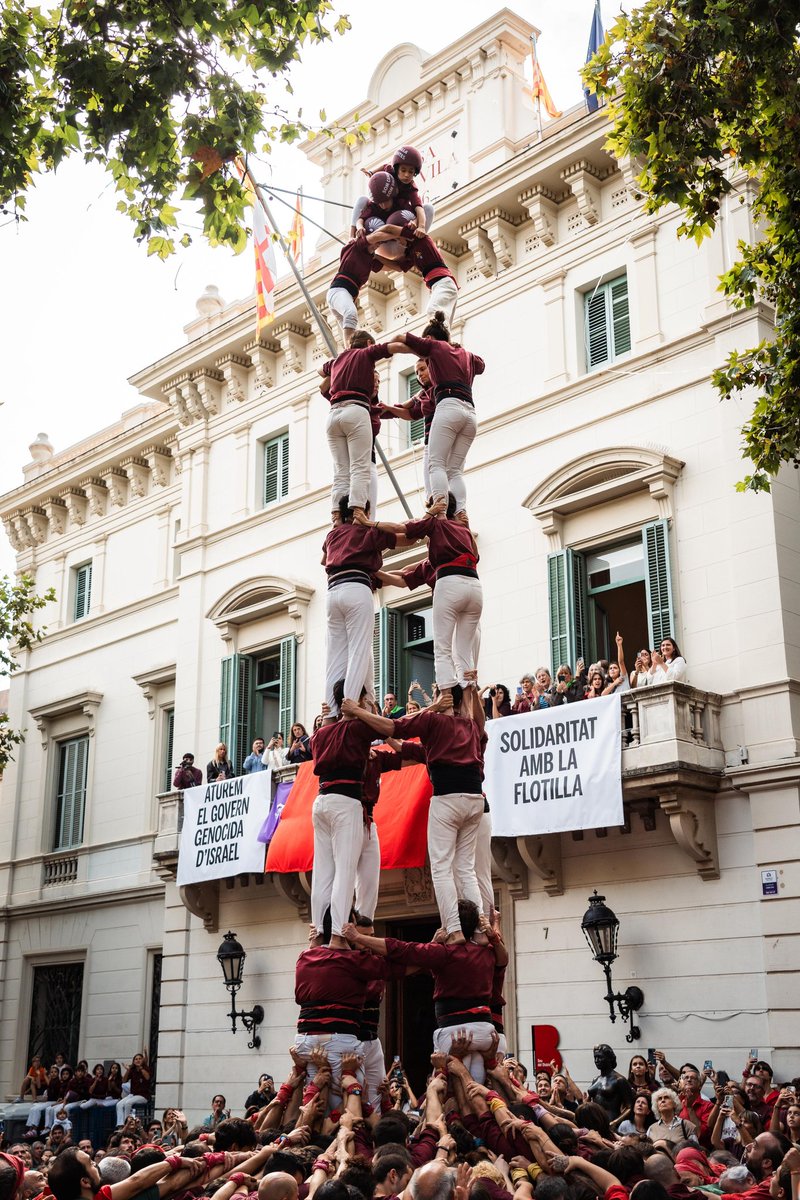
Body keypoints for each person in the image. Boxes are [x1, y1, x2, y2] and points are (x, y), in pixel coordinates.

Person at [342, 683, 486, 941]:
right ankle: (480, 928)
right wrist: (472, 692)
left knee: (441, 868)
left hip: (448, 798)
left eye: (435, 694)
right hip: (475, 799)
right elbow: (399, 745)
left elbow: (398, 726)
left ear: (443, 698)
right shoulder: (471, 727)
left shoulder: (433, 721)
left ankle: (454, 929)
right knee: (465, 868)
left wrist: (359, 712)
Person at [344, 899, 501, 1083]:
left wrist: (357, 937)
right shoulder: (489, 951)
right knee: (479, 1083)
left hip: (455, 1031)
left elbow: (402, 949)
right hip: (486, 1031)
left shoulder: (444, 953)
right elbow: (503, 957)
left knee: (452, 1085)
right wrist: (493, 930)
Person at [388, 312, 484, 512]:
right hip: (470, 413)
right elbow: (481, 365)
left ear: (429, 339)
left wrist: (380, 352)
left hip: (448, 407)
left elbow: (400, 338)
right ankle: (460, 512)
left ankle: (439, 505)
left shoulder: (434, 347)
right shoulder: (465, 354)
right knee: (455, 470)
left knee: (435, 463)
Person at [309, 680, 376, 948]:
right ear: (354, 700)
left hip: (321, 801)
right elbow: (388, 727)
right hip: (345, 802)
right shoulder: (358, 728)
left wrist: (331, 716)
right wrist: (365, 710)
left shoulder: (321, 734)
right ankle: (337, 934)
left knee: (323, 873)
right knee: (345, 872)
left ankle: (318, 935)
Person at [321, 495, 400, 716]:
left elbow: (323, 559)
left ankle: (329, 715)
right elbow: (404, 536)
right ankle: (349, 709)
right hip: (356, 587)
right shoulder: (367, 531)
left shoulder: (333, 534)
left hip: (332, 591)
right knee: (359, 651)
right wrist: (370, 524)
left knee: (334, 656)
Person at [320, 332, 395, 523]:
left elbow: (322, 381)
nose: (376, 385)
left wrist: (339, 365)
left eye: (378, 382)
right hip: (361, 451)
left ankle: (339, 513)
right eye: (373, 380)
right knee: (355, 470)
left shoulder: (375, 407)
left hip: (336, 418)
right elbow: (322, 386)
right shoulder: (358, 398)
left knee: (343, 470)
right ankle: (357, 512)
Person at [325, 229, 404, 346]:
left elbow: (396, 267)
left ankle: (352, 354)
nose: (378, 245)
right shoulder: (357, 245)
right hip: (338, 291)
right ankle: (350, 353)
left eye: (380, 244)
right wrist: (401, 233)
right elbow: (376, 236)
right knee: (351, 314)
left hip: (345, 296)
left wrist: (408, 253)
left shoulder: (370, 259)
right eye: (377, 242)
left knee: (355, 337)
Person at [588, 1045, 635, 1121]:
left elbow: (629, 1107)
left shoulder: (619, 1080)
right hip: (594, 1122)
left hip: (611, 1122)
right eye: (595, 1057)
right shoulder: (595, 1079)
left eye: (600, 1057)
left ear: (609, 1058)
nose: (596, 1060)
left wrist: (615, 1122)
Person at [116, 1052, 151, 1126]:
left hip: (143, 1095)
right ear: (133, 1061)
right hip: (133, 1094)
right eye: (136, 1059)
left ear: (143, 1060)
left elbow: (147, 1077)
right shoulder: (132, 1070)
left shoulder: (146, 1069)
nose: (138, 1060)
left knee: (128, 1103)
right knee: (119, 1104)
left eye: (140, 1059)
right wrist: (128, 1070)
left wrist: (141, 1068)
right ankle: (120, 1124)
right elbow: (124, 1081)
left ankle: (127, 1123)